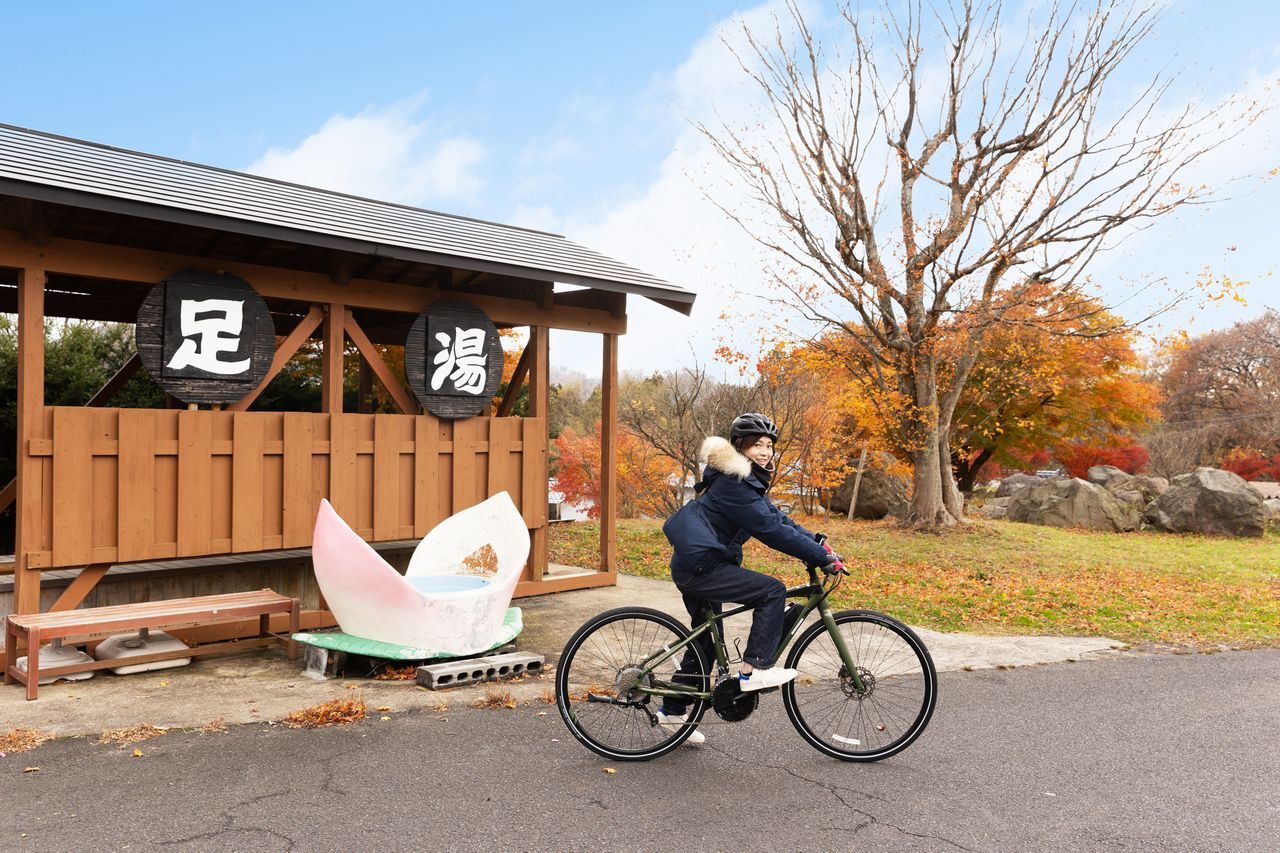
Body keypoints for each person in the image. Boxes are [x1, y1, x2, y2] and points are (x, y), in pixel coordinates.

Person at [658, 412, 843, 745]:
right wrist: (819, 558)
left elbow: (777, 519)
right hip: (702, 567)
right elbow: (770, 530)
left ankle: (671, 712)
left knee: (704, 645)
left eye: (769, 445)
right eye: (757, 444)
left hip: (698, 563)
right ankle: (753, 668)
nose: (764, 451)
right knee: (772, 591)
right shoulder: (734, 484)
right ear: (740, 447)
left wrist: (817, 544)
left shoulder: (745, 482)